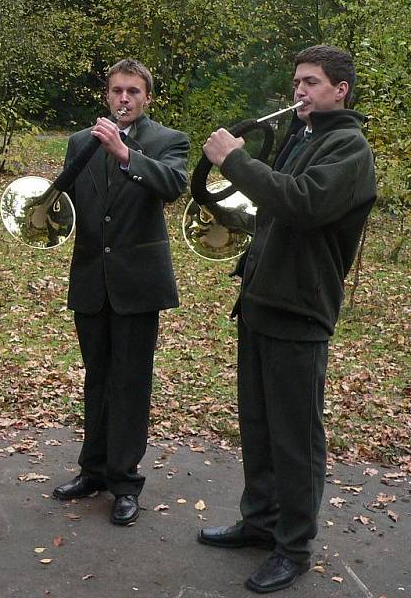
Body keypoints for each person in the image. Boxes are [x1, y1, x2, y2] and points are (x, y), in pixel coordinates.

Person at [197, 45, 376, 593]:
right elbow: (271, 211)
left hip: (300, 309)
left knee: (296, 437)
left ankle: (293, 547)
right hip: (261, 301)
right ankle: (260, 522)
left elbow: (300, 204)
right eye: (297, 81)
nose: (300, 91)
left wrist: (236, 160)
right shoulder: (303, 136)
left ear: (340, 90)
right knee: (258, 424)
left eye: (313, 83)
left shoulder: (348, 146)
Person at [52, 59, 189, 525]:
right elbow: (65, 203)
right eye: (116, 91)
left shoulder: (168, 141)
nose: (123, 99)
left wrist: (126, 154)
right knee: (97, 378)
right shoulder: (79, 143)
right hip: (91, 280)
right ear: (106, 95)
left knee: (130, 383)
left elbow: (173, 185)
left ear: (147, 97)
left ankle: (125, 481)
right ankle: (93, 471)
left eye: (133, 91)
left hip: (137, 284)